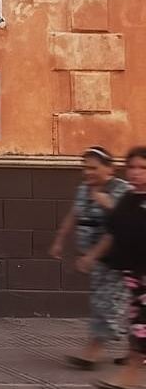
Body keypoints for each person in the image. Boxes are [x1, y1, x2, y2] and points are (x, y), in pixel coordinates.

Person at [51, 146, 131, 369]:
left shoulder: (121, 190)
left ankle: (93, 352)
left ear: (109, 168)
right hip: (98, 258)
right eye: (85, 168)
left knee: (106, 303)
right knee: (117, 303)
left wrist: (93, 255)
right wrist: (60, 240)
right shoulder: (84, 190)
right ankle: (137, 352)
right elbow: (74, 215)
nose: (88, 173)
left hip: (119, 257)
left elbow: (119, 227)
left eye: (94, 168)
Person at [79, 146, 146, 389]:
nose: (136, 173)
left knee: (141, 327)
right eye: (132, 167)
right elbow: (113, 232)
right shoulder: (129, 198)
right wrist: (93, 256)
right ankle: (129, 378)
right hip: (135, 275)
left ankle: (129, 379)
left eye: (143, 168)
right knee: (138, 326)